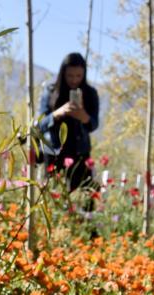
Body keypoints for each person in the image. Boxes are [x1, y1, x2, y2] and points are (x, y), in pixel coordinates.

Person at [37, 53, 99, 197]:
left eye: (78, 76)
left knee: (83, 197)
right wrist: (57, 113)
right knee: (53, 197)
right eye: (70, 75)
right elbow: (40, 125)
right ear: (63, 73)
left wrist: (83, 117)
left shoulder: (90, 93)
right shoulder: (51, 91)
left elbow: (94, 125)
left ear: (84, 74)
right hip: (53, 152)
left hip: (80, 153)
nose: (74, 80)